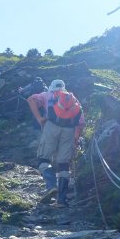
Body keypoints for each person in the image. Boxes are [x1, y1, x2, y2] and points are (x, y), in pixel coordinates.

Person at [27, 79, 84, 207]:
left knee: (43, 159)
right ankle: (61, 201)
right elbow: (80, 123)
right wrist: (75, 138)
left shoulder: (47, 95)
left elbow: (31, 99)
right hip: (69, 131)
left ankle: (51, 185)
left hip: (51, 127)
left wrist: (40, 119)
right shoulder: (72, 99)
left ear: (51, 87)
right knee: (64, 165)